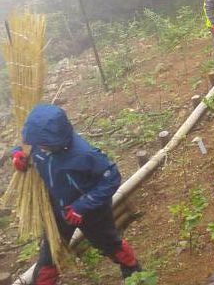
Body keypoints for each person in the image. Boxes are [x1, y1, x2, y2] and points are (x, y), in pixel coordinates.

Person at [10, 105, 142, 284]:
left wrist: (82, 205)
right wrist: (17, 153)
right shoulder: (38, 145)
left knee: (109, 243)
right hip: (57, 210)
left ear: (57, 141)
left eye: (43, 144)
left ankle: (133, 271)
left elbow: (111, 177)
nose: (39, 147)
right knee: (50, 256)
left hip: (91, 213)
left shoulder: (83, 154)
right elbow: (25, 145)